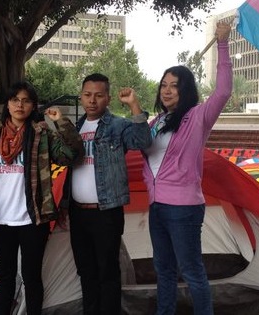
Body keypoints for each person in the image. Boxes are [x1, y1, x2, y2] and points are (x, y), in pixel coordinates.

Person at [142, 22, 233, 315]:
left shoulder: (197, 117)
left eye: (175, 85)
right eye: (164, 85)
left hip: (184, 209)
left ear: (186, 90)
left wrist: (222, 44)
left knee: (192, 271)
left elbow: (223, 92)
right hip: (156, 207)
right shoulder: (156, 123)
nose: (167, 90)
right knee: (164, 270)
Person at [0, 81, 83, 315]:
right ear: (8, 104)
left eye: (25, 100)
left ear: (33, 105)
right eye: (15, 100)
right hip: (0, 220)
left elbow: (72, 155)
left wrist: (60, 122)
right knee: (6, 278)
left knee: (32, 277)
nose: (19, 105)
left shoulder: (41, 134)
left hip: (33, 218)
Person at [60, 73, 152, 315]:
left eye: (99, 96)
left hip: (107, 212)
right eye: (88, 95)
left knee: (107, 272)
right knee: (86, 271)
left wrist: (134, 105)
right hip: (78, 213)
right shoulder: (74, 128)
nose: (93, 101)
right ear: (81, 97)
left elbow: (143, 141)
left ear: (108, 98)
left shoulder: (118, 125)